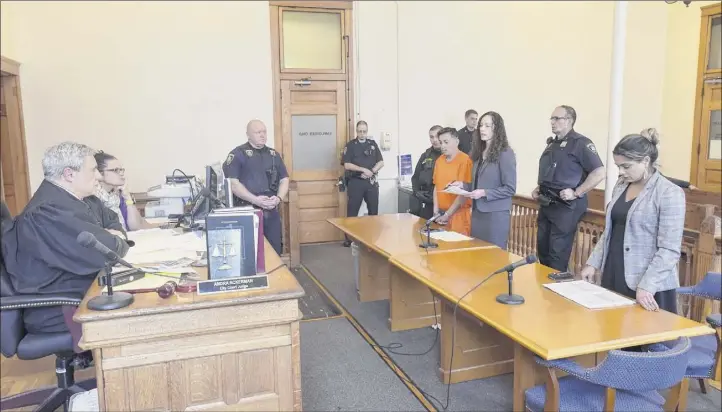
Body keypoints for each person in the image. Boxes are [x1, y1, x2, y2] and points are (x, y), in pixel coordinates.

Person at [1, 142, 130, 336]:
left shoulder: (83, 197)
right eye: (93, 169)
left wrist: (113, 234)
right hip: (59, 307)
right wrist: (112, 237)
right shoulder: (47, 211)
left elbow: (113, 222)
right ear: (69, 174)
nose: (98, 176)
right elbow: (109, 251)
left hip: (82, 293)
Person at [580, 128, 684, 313]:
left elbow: (669, 249)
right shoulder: (621, 185)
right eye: (617, 166)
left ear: (645, 161)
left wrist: (647, 285)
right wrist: (593, 263)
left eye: (626, 166)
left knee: (643, 339)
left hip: (648, 284)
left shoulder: (669, 192)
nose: (620, 171)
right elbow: (610, 230)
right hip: (614, 270)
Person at [532, 105, 605, 271]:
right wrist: (539, 187)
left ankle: (554, 292)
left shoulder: (581, 143)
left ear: (570, 121)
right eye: (552, 118)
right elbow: (556, 171)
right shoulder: (553, 144)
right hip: (546, 204)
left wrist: (577, 192)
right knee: (543, 252)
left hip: (565, 207)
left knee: (557, 256)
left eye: (557, 118)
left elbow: (599, 172)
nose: (553, 122)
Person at [223, 119, 290, 255]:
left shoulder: (273, 155)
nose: (262, 135)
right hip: (247, 212)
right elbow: (233, 184)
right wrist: (255, 200)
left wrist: (279, 198)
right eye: (258, 132)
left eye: (264, 131)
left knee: (274, 251)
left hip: (271, 211)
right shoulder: (238, 154)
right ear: (248, 134)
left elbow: (284, 179)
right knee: (250, 253)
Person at [451, 111, 516, 249]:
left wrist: (484, 193)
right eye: (481, 125)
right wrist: (463, 185)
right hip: (477, 213)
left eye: (487, 125)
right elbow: (477, 183)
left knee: (493, 257)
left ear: (496, 128)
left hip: (495, 215)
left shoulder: (505, 153)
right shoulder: (479, 152)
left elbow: (510, 188)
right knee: (477, 255)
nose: (482, 129)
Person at [341, 120, 384, 247]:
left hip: (370, 182)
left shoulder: (372, 144)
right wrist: (362, 169)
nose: (362, 133)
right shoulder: (351, 145)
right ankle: (349, 238)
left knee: (373, 211)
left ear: (367, 131)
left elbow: (381, 162)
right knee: (352, 212)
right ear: (356, 131)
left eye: (364, 131)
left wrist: (371, 171)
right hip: (356, 182)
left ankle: (372, 238)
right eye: (360, 131)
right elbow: (347, 165)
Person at [94, 151, 159, 231]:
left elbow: (136, 226)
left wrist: (127, 197)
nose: (121, 174)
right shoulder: (94, 200)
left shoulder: (116, 196)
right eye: (116, 170)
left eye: (121, 170)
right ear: (100, 174)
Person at [432, 128, 473, 235]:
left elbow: (463, 193)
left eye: (446, 142)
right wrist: (436, 211)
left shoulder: (465, 161)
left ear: (456, 141)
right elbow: (436, 186)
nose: (443, 146)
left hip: (458, 216)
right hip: (441, 216)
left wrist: (448, 214)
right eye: (441, 143)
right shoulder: (439, 161)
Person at [410, 125, 443, 219]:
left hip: (442, 201)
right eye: (431, 137)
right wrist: (417, 192)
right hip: (426, 200)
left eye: (437, 136)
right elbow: (415, 177)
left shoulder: (448, 155)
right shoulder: (425, 155)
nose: (434, 140)